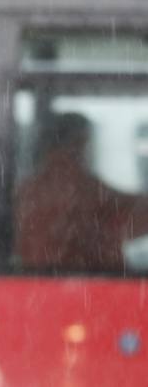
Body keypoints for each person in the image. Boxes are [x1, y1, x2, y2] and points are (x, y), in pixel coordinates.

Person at [16, 112, 148, 274]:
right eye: (85, 144)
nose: (87, 152)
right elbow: (134, 214)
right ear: (72, 145)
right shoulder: (84, 191)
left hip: (37, 289)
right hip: (92, 289)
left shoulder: (25, 192)